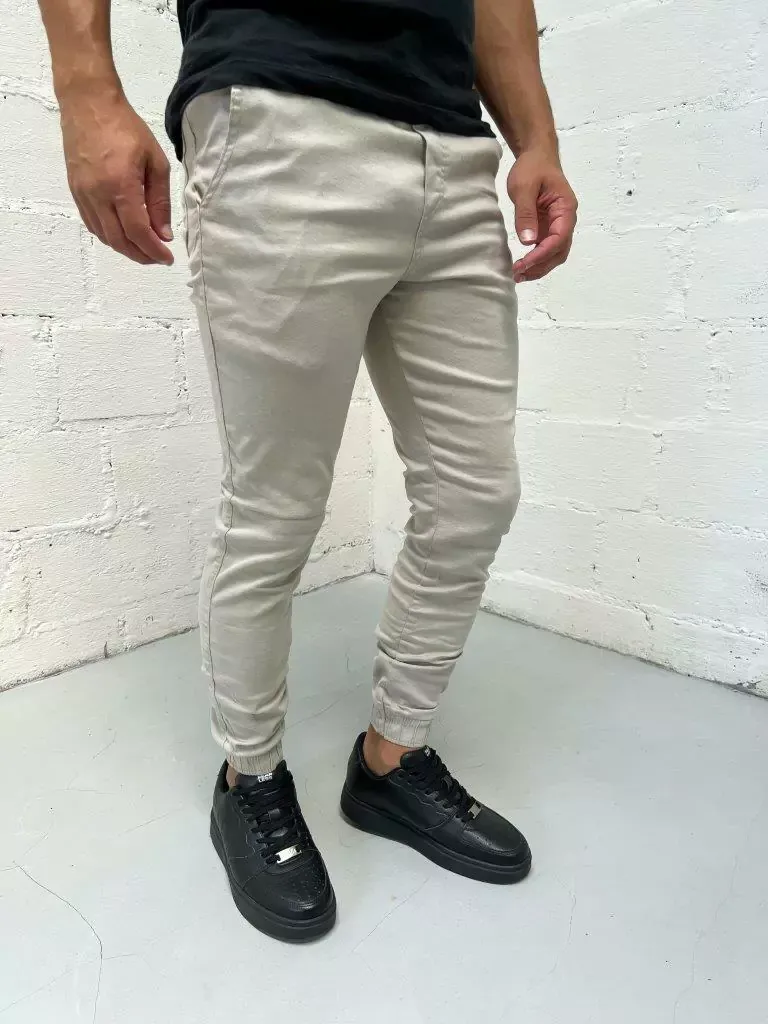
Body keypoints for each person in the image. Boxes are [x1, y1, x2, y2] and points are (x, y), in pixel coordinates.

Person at [38, 0, 577, 942]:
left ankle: (391, 762)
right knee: (275, 509)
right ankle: (249, 778)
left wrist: (537, 140)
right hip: (278, 117)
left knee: (476, 492)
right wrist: (87, 91)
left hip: (455, 153)